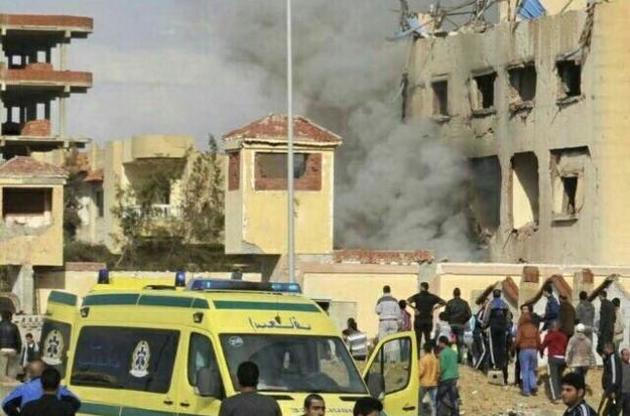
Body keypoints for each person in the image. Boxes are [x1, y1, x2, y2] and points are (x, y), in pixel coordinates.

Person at [2, 360, 80, 416]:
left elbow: (6, 404)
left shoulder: (24, 389)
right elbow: (76, 402)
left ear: (30, 373)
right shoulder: (56, 386)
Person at [408, 282, 446, 355]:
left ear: (422, 287)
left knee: (418, 340)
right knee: (427, 339)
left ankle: (417, 356)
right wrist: (435, 308)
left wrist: (414, 309)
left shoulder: (417, 296)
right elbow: (444, 302)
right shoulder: (432, 297)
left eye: (420, 287)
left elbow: (407, 301)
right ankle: (428, 355)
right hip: (428, 321)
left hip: (419, 321)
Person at [540, 320, 569, 403]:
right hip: (563, 359)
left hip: (553, 358)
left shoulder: (550, 335)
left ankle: (555, 397)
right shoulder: (564, 335)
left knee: (553, 378)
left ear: (552, 327)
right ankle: (560, 394)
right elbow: (566, 346)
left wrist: (541, 352)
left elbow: (543, 345)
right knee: (559, 377)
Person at [514, 308, 540, 396]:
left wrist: (513, 347)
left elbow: (517, 340)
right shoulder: (534, 328)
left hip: (524, 350)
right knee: (531, 369)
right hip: (533, 350)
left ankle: (526, 390)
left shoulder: (521, 328)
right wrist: (540, 349)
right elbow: (538, 340)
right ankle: (533, 385)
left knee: (524, 370)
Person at [484, 289, 509, 373]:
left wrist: (484, 325)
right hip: (503, 327)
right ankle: (501, 364)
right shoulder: (505, 304)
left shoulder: (490, 304)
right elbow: (508, 317)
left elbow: (486, 317)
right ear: (500, 295)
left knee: (494, 346)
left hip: (493, 327)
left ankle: (495, 364)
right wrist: (507, 327)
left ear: (493, 295)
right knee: (502, 346)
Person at [445, 288, 472, 363]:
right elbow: (469, 314)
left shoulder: (449, 303)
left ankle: (450, 358)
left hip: (452, 325)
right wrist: (464, 321)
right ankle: (460, 359)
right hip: (460, 325)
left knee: (451, 342)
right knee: (460, 343)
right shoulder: (465, 303)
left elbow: (445, 314)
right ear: (460, 294)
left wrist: (449, 320)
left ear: (453, 294)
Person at [436, 336, 459, 416]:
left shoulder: (442, 353)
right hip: (454, 377)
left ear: (442, 343)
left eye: (439, 343)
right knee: (453, 397)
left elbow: (443, 367)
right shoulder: (453, 352)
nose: (438, 345)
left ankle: (438, 413)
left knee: (439, 396)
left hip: (446, 378)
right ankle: (455, 413)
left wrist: (438, 376)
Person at [598, 341, 622, 416]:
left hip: (613, 390)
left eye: (605, 348)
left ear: (609, 348)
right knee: (608, 410)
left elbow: (615, 375)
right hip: (611, 389)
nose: (604, 350)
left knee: (609, 411)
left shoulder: (613, 358)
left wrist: (612, 390)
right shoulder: (610, 358)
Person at [418, 341, 439, 416]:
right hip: (434, 383)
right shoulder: (435, 359)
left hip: (424, 384)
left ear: (424, 349)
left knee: (420, 402)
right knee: (434, 403)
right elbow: (438, 371)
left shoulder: (423, 359)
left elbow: (420, 372)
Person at [0, 311, 22, 381]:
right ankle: (11, 381)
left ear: (2, 317)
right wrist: (19, 351)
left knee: (1, 367)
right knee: (12, 368)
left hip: (1, 349)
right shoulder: (14, 326)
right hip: (12, 350)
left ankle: (2, 381)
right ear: (10, 317)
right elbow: (18, 340)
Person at [472, 298, 489, 372]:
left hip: (478, 333)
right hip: (479, 333)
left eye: (488, 303)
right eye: (486, 303)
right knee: (484, 351)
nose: (487, 304)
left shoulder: (484, 311)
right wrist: (484, 324)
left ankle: (480, 367)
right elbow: (478, 320)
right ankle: (476, 367)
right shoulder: (482, 311)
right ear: (483, 304)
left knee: (479, 352)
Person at [597, 290, 616, 356]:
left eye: (599, 296)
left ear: (600, 296)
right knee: (610, 347)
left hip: (605, 330)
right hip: (611, 329)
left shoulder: (603, 304)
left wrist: (600, 330)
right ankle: (610, 359)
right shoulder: (611, 304)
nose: (598, 298)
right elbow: (614, 317)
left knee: (603, 348)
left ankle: (606, 360)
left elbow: (603, 319)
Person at [620, 348, 630, 416]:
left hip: (628, 394)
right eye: (626, 354)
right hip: (620, 393)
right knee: (615, 411)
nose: (628, 356)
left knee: (627, 413)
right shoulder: (618, 366)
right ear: (621, 355)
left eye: (628, 355)